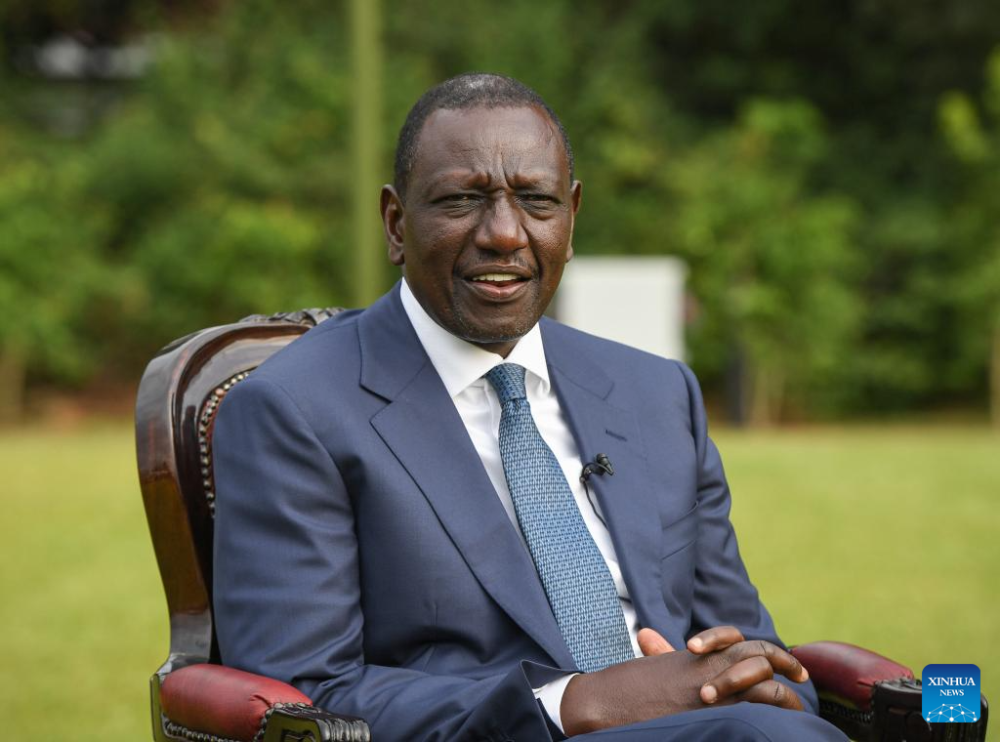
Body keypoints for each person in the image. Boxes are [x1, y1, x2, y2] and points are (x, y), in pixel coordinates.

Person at [212, 73, 846, 741]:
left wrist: (730, 678)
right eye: (462, 199)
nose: (505, 235)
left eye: (536, 202)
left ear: (570, 220)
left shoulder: (658, 394)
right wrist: (579, 701)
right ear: (397, 224)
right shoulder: (292, 411)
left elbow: (756, 655)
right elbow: (305, 697)